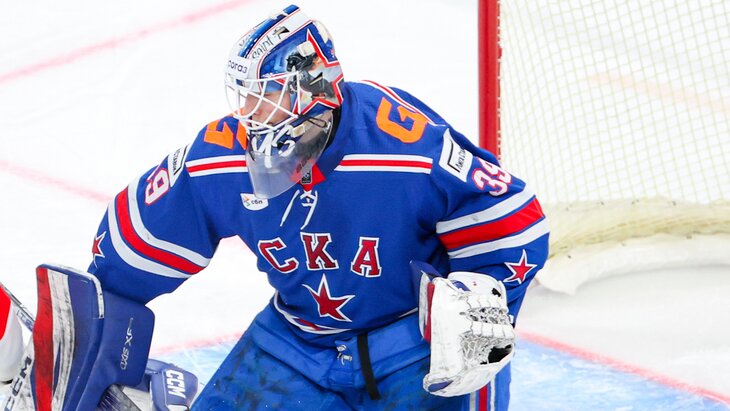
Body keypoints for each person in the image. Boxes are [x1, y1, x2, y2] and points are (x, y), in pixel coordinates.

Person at [7, 4, 549, 410]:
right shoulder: (220, 157)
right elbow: (134, 248)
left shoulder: (405, 147)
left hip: (413, 348)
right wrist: (91, 335)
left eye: (268, 95)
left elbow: (513, 220)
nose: (251, 114)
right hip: (297, 341)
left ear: (318, 89)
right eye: (245, 97)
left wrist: (484, 297)